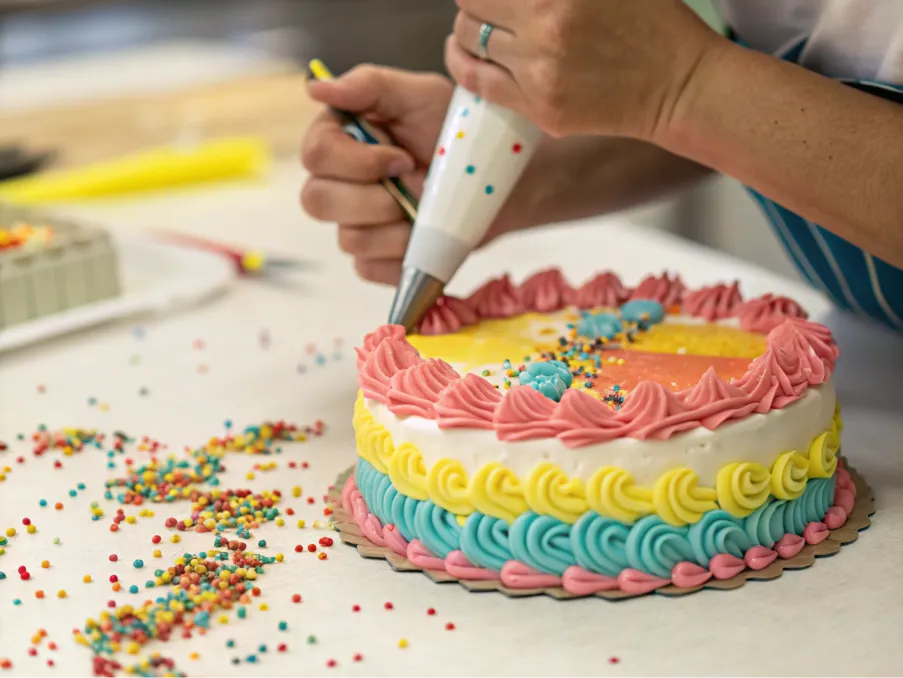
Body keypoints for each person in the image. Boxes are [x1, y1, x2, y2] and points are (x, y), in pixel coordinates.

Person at [300, 0, 903, 330]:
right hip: (865, 366)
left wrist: (686, 84)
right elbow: (777, 81)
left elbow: (692, 80)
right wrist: (527, 172)